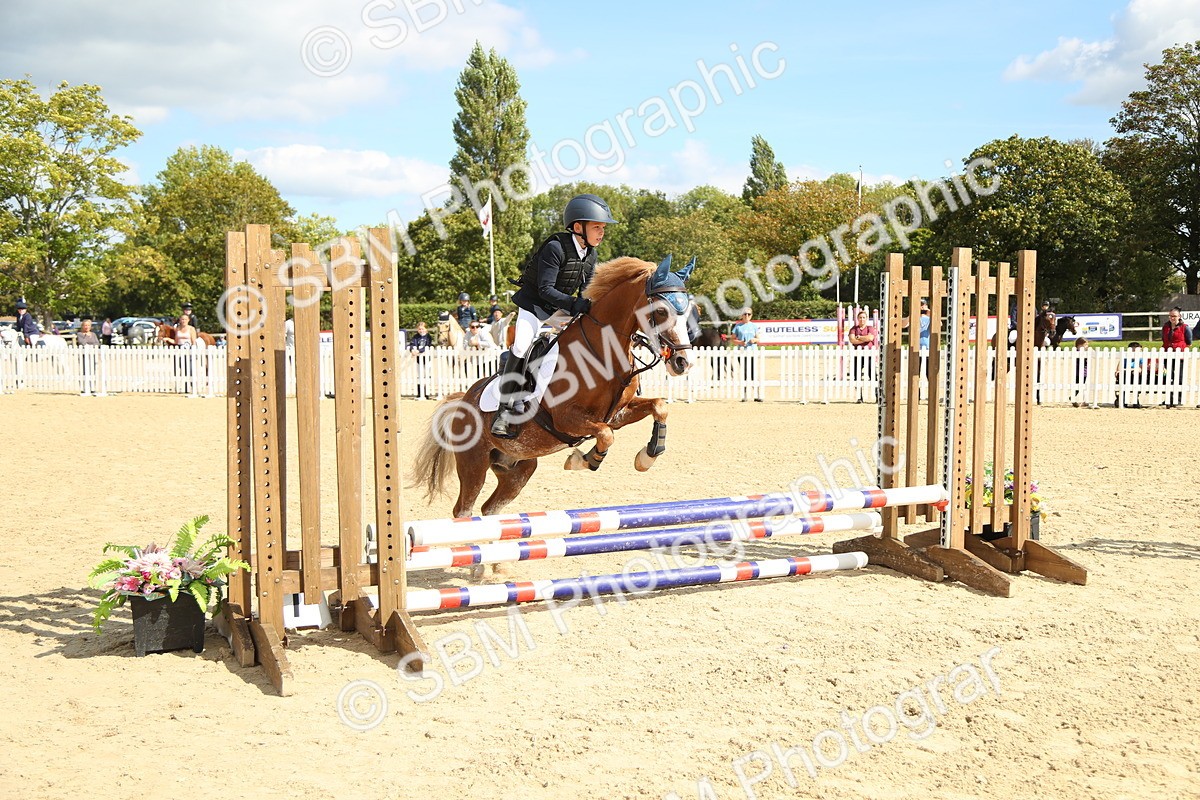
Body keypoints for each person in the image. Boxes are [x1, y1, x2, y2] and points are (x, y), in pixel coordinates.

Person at [491, 193, 618, 438]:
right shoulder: (555, 247)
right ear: (578, 227)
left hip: (559, 309)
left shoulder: (590, 254)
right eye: (597, 227)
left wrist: (588, 306)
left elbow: (584, 289)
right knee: (521, 346)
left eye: (603, 228)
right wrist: (573, 305)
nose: (601, 233)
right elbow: (545, 289)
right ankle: (504, 411)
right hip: (535, 306)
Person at [1161, 307, 1192, 408]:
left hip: (1180, 355)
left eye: (1174, 316)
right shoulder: (1165, 327)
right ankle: (1169, 399)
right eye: (1170, 316)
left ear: (1179, 316)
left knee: (1179, 377)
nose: (1172, 318)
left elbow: (1189, 342)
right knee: (1168, 377)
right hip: (1167, 354)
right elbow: (1163, 339)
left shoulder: (1185, 327)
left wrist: (1181, 349)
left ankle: (1178, 399)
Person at [730, 307, 762, 402]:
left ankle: (756, 394)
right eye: (745, 314)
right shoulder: (738, 326)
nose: (747, 316)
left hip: (752, 351)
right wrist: (740, 342)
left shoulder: (754, 326)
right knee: (744, 372)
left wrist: (754, 340)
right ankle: (744, 395)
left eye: (749, 314)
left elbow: (758, 338)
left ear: (751, 315)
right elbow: (732, 339)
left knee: (752, 372)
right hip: (742, 352)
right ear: (742, 315)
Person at [848, 309, 877, 403]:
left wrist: (859, 337)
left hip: (868, 355)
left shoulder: (870, 328)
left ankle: (877, 395)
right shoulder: (853, 329)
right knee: (857, 376)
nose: (862, 319)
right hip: (857, 355)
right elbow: (852, 340)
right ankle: (859, 397)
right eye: (860, 317)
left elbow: (870, 337)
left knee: (872, 375)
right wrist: (865, 339)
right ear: (857, 319)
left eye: (864, 317)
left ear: (867, 319)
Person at [1115, 342, 1145, 409]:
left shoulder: (1141, 358)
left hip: (1136, 377)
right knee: (1124, 377)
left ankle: (1135, 401)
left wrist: (1134, 370)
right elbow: (1119, 367)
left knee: (1135, 377)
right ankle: (1123, 400)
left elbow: (1141, 368)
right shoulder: (1125, 358)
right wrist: (1118, 371)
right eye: (1133, 351)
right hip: (1125, 375)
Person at [406, 321, 432, 399]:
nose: (421, 330)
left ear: (426, 329)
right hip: (418, 359)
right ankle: (419, 393)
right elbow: (412, 344)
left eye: (422, 329)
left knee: (426, 375)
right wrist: (412, 350)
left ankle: (427, 393)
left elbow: (428, 345)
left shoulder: (428, 337)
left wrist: (419, 351)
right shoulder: (415, 337)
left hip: (427, 359)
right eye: (419, 329)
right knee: (419, 375)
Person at [1071, 337, 1090, 407]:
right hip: (1078, 372)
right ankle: (1073, 397)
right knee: (1078, 386)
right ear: (1078, 345)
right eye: (1084, 345)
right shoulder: (1076, 352)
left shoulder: (1087, 352)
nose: (1086, 346)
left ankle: (1085, 401)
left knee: (1083, 386)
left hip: (1084, 372)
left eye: (1087, 345)